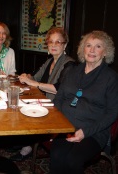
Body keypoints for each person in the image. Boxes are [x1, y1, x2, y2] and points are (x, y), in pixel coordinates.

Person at [50, 30, 118, 173]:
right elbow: (59, 98)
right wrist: (57, 124)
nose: (92, 50)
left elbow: (113, 113)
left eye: (98, 46)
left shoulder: (111, 78)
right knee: (56, 155)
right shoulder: (72, 71)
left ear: (105, 52)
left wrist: (85, 132)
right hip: (66, 126)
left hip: (93, 131)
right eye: (88, 45)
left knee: (72, 161)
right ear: (83, 49)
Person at [10, 27, 75, 161]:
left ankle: (27, 147)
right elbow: (35, 77)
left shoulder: (70, 65)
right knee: (17, 106)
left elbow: (59, 89)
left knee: (25, 109)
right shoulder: (50, 61)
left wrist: (34, 83)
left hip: (59, 107)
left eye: (58, 42)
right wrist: (26, 76)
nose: (53, 45)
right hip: (45, 101)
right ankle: (23, 141)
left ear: (65, 45)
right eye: (51, 42)